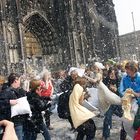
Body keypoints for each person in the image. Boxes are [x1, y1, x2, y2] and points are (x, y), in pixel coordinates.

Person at [0, 73, 30, 140]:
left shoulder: (19, 90)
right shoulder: (7, 91)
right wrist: (9, 102)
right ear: (15, 80)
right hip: (14, 121)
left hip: (20, 120)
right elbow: (1, 104)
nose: (20, 82)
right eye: (19, 80)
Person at [119, 61, 140, 139]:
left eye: (128, 70)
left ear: (133, 70)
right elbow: (121, 90)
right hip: (128, 104)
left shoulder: (139, 78)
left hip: (138, 104)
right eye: (126, 70)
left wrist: (133, 93)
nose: (126, 71)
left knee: (135, 124)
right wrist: (126, 94)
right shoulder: (125, 78)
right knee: (126, 124)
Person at [102, 67, 123, 140]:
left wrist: (116, 90)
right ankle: (106, 136)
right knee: (107, 117)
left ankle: (124, 133)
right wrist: (108, 89)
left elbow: (122, 90)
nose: (112, 75)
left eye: (113, 74)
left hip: (118, 101)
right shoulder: (106, 80)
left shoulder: (119, 79)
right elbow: (102, 89)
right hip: (109, 102)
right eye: (111, 73)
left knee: (123, 116)